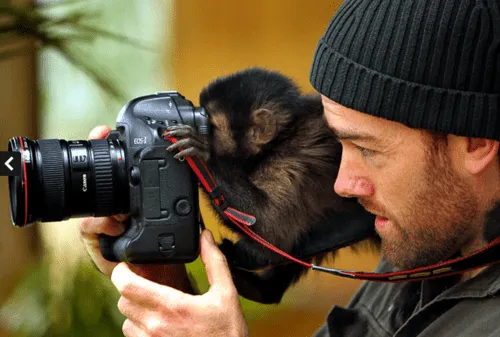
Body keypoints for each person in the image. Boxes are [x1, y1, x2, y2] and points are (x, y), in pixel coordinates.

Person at [79, 0, 500, 336]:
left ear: (476, 143)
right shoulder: (420, 249)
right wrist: (164, 281)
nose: (342, 184)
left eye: (368, 149)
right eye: (339, 141)